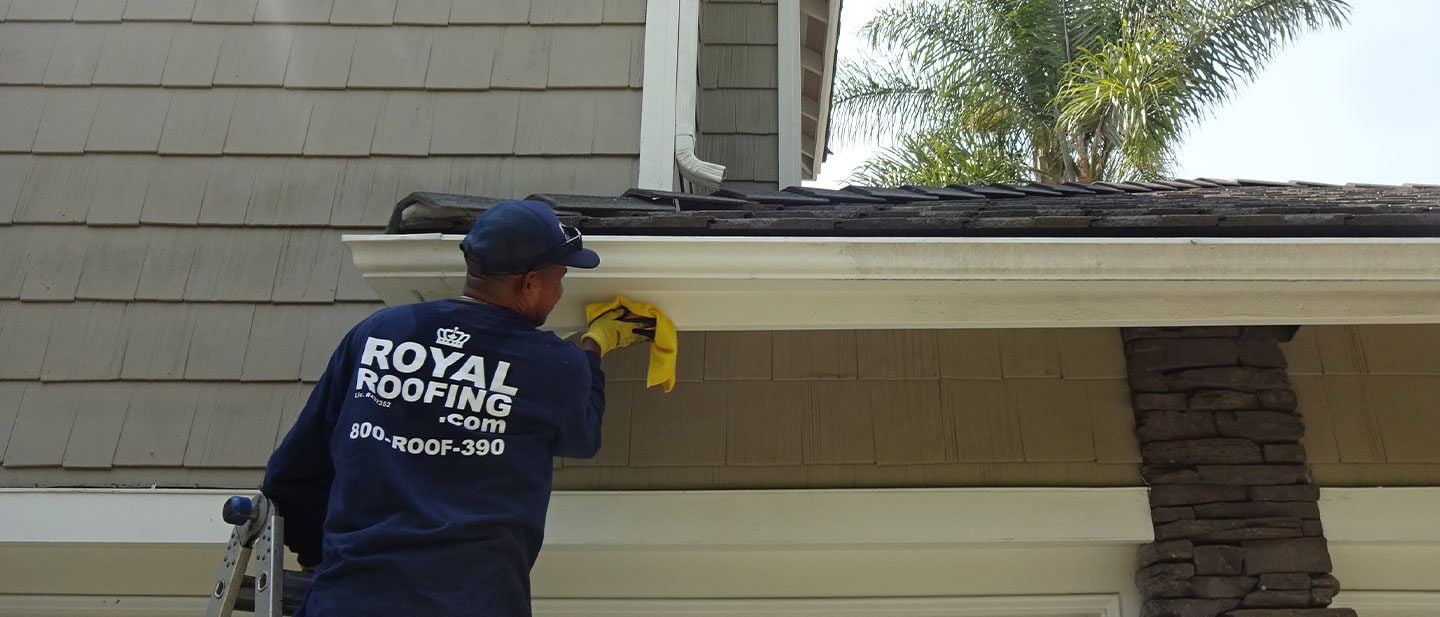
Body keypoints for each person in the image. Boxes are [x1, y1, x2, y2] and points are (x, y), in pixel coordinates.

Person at [261, 200, 655, 617]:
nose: (560, 294)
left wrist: (317, 558)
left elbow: (292, 475)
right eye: (560, 279)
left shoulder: (379, 334)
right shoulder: (552, 364)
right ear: (530, 284)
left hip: (350, 599)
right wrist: (594, 347)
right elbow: (583, 436)